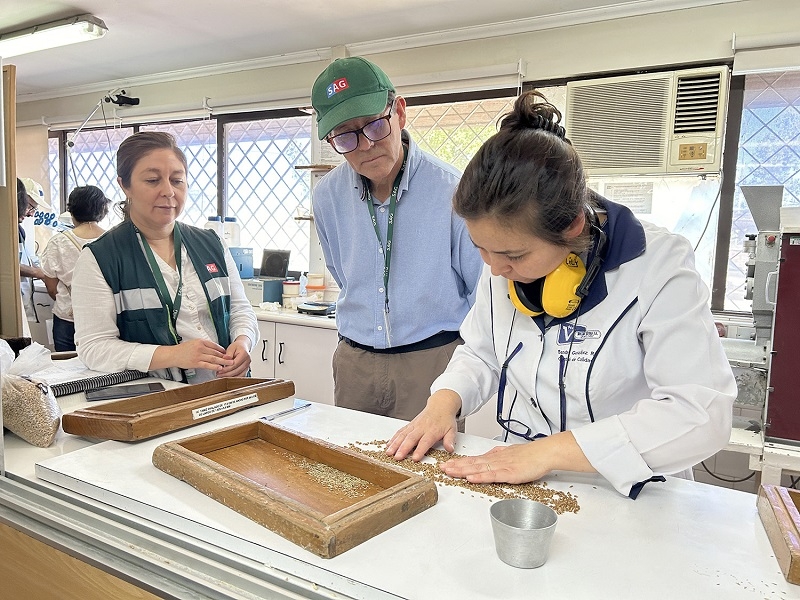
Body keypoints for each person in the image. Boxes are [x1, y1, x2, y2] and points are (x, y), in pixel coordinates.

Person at [386, 91, 737, 498]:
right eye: (481, 248)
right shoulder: (500, 263)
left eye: (513, 254)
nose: (495, 269)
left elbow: (701, 414)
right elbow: (482, 351)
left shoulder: (658, 265)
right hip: (522, 481)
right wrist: (444, 402)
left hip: (630, 490)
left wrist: (548, 453)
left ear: (571, 227)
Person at [310, 57, 484, 421]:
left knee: (428, 472)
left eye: (374, 126)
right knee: (350, 472)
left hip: (432, 362)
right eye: (345, 136)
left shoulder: (453, 190)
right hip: (355, 362)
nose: (364, 146)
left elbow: (480, 291)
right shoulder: (327, 196)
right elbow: (341, 273)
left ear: (399, 113)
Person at [72, 131, 258, 382]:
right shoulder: (100, 258)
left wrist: (243, 340)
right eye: (152, 180)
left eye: (177, 180)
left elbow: (240, 309)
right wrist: (172, 355)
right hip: (157, 400)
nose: (168, 191)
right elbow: (94, 349)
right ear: (124, 185)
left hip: (226, 389)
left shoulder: (212, 244)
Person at [39, 185, 111, 351]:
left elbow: (52, 289)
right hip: (104, 320)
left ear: (71, 210)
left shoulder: (58, 242)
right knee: (103, 369)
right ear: (102, 209)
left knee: (67, 371)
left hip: (67, 318)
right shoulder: (113, 240)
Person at [17, 177, 47, 321]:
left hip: (24, 300)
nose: (31, 213)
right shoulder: (7, 230)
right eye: (29, 206)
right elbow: (9, 266)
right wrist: (39, 273)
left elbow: (25, 258)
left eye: (34, 209)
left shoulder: (20, 230)